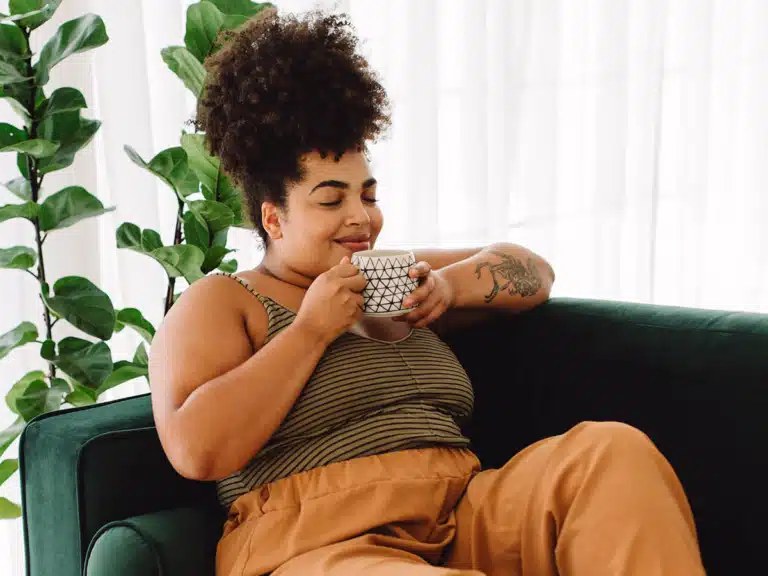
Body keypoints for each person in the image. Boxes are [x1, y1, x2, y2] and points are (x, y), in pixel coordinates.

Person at [148, 9, 704, 576]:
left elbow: (533, 271)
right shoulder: (224, 301)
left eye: (368, 194)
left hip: (462, 510)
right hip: (321, 546)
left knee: (612, 455)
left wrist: (448, 286)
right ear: (274, 218)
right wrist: (312, 331)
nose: (360, 218)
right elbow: (197, 450)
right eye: (331, 199)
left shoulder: (393, 274)